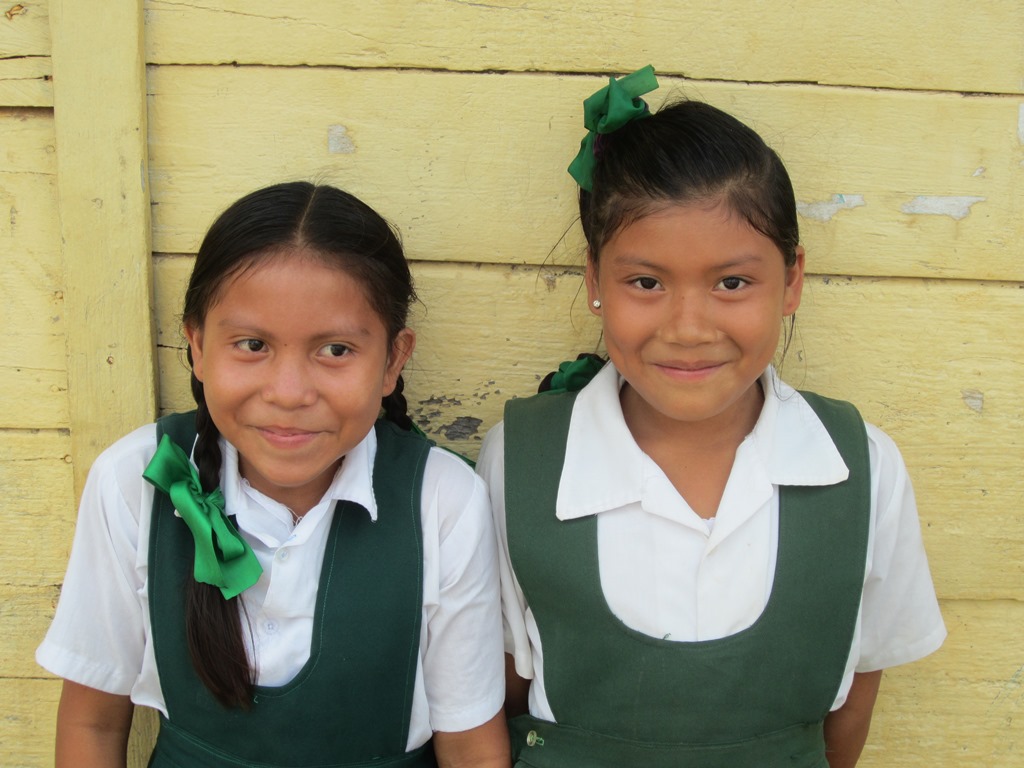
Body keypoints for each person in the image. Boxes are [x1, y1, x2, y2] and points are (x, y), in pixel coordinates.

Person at [476, 67, 946, 768]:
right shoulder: (523, 461)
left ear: (791, 282)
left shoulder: (859, 469)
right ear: (594, 281)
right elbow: (507, 689)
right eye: (646, 282)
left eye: (732, 282)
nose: (689, 327)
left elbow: (852, 702)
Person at [37, 181, 510, 768]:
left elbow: (470, 748)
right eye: (253, 344)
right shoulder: (137, 481)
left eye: (335, 350)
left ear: (392, 359)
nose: (289, 393)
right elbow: (92, 724)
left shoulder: (442, 500)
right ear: (197, 346)